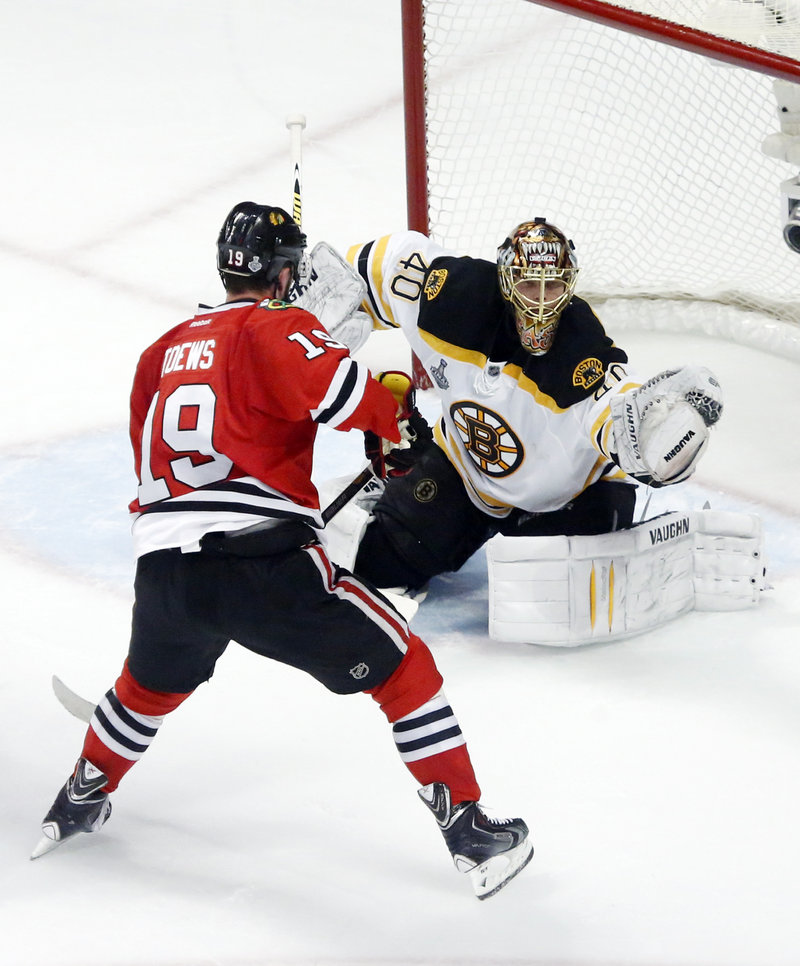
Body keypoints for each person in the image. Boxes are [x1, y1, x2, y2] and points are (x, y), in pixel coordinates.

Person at [31, 202, 533, 901]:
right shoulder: (281, 326)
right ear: (286, 272)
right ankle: (472, 832)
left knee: (148, 689)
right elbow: (348, 395)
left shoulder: (161, 349)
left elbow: (157, 455)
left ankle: (78, 797)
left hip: (164, 568)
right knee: (405, 669)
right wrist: (396, 424)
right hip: (262, 565)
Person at [343, 219, 723, 594]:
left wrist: (662, 432)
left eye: (553, 286)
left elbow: (620, 407)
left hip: (571, 496)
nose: (541, 302)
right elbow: (383, 264)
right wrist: (302, 313)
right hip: (468, 472)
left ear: (568, 285)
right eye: (529, 285)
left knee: (546, 587)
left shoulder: (581, 351)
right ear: (507, 281)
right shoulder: (452, 298)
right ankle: (413, 456)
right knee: (378, 566)